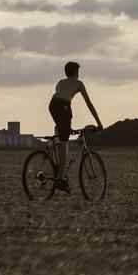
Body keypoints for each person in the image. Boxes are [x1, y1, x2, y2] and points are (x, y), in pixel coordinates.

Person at [49, 61, 103, 192]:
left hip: (52, 105)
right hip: (64, 107)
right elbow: (89, 104)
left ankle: (54, 146)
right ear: (76, 73)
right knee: (65, 145)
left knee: (61, 132)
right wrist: (99, 122)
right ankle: (60, 180)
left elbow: (59, 98)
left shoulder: (60, 83)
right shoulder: (79, 83)